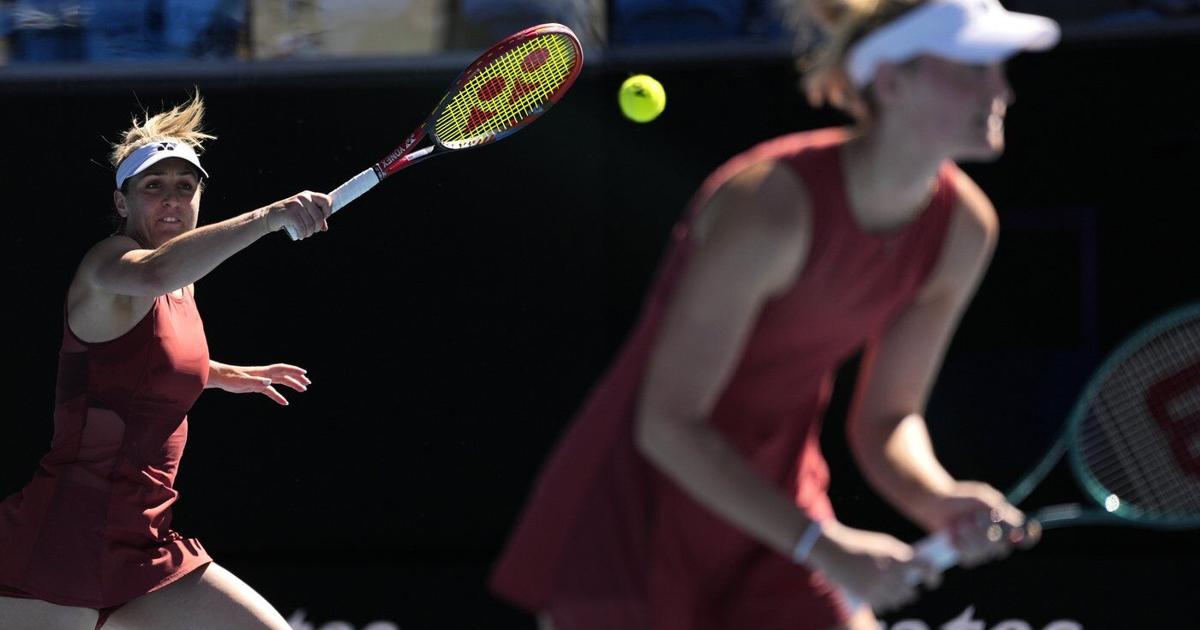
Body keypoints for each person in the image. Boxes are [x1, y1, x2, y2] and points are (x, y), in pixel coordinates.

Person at [490, 1, 1060, 628]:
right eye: (972, 70)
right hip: (633, 511)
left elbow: (888, 418)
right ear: (893, 83)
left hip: (776, 504)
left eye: (998, 69)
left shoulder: (963, 230)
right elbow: (669, 425)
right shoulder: (769, 209)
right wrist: (824, 546)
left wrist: (937, 497)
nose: (1001, 89)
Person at [0, 92, 332, 630]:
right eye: (153, 187)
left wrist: (222, 375)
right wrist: (270, 216)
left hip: (141, 544)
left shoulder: (184, 284)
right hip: (58, 539)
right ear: (122, 203)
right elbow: (154, 274)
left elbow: (134, 365)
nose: (172, 200)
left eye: (186, 186)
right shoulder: (108, 265)